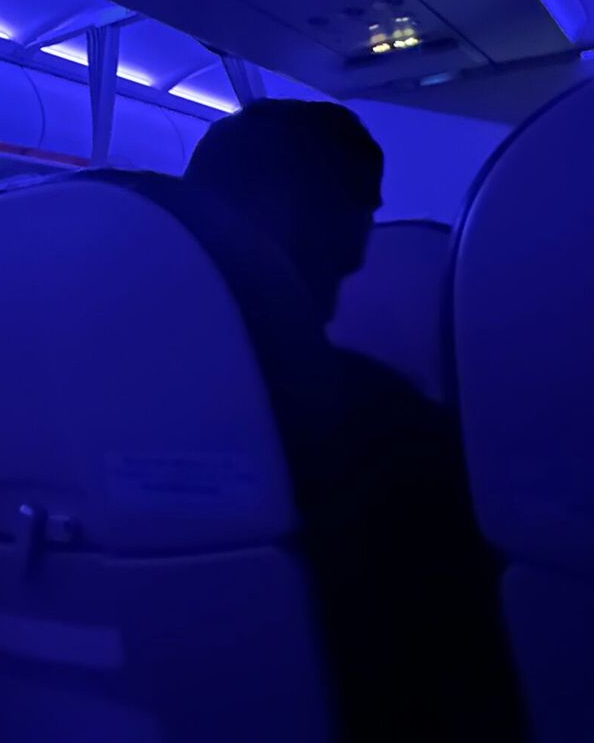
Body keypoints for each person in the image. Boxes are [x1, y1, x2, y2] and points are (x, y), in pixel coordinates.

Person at [180, 100, 523, 741]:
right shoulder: (392, 430)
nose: (362, 250)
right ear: (306, 226)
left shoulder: (86, 404)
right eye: (364, 210)